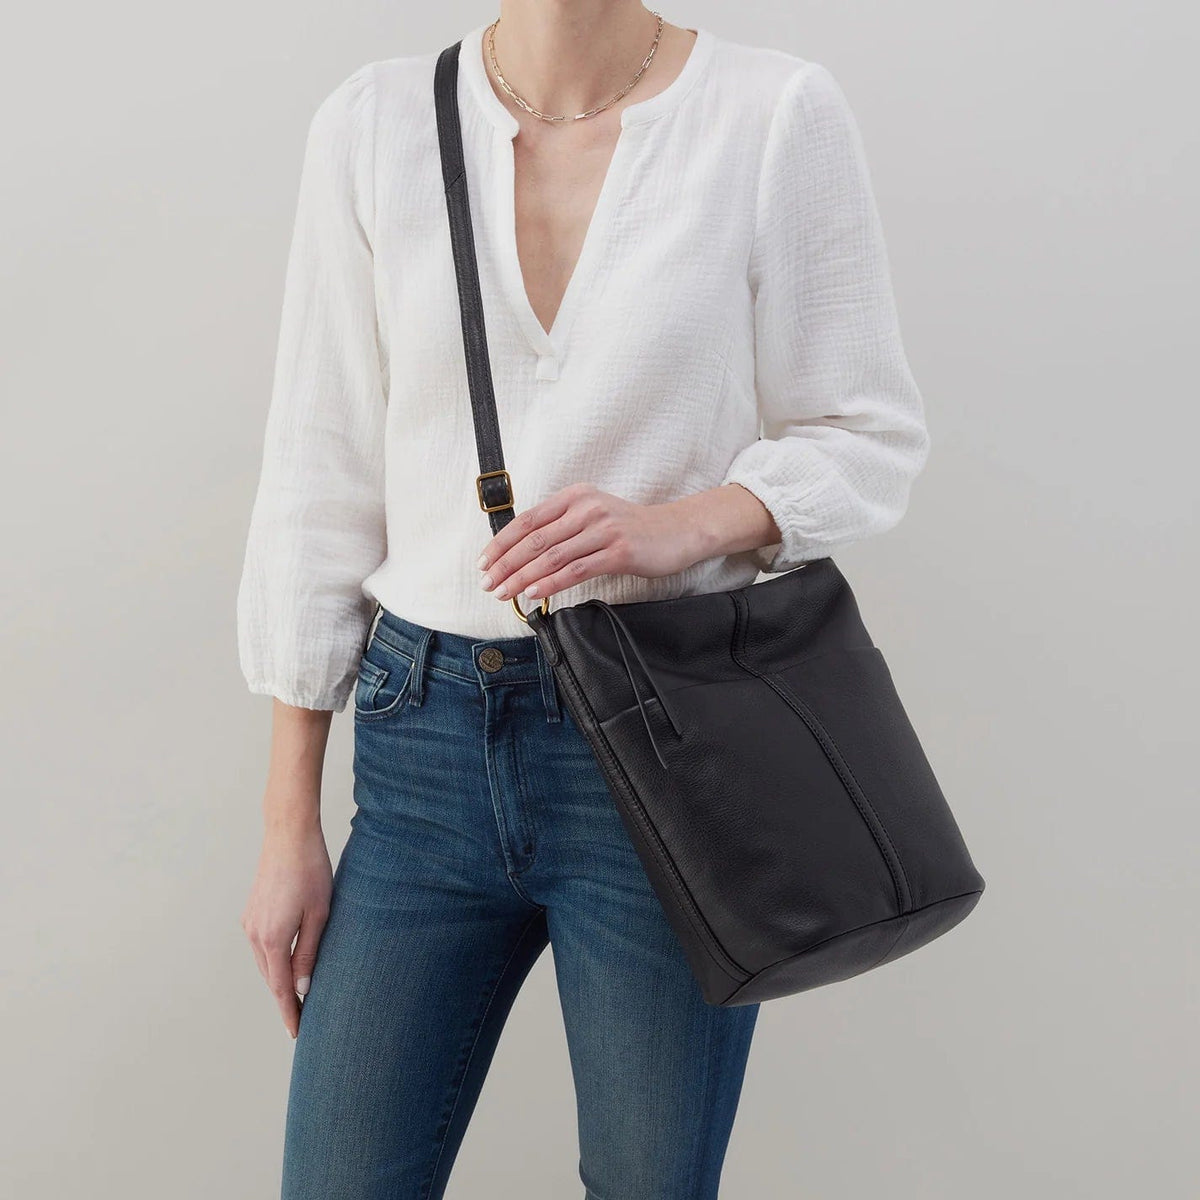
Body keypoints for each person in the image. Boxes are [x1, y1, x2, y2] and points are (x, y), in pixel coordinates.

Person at [236, 3, 931, 1197]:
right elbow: (318, 473)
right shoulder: (374, 123)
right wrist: (287, 823)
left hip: (666, 749)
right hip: (421, 751)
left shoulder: (769, 115)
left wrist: (684, 524)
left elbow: (867, 431)